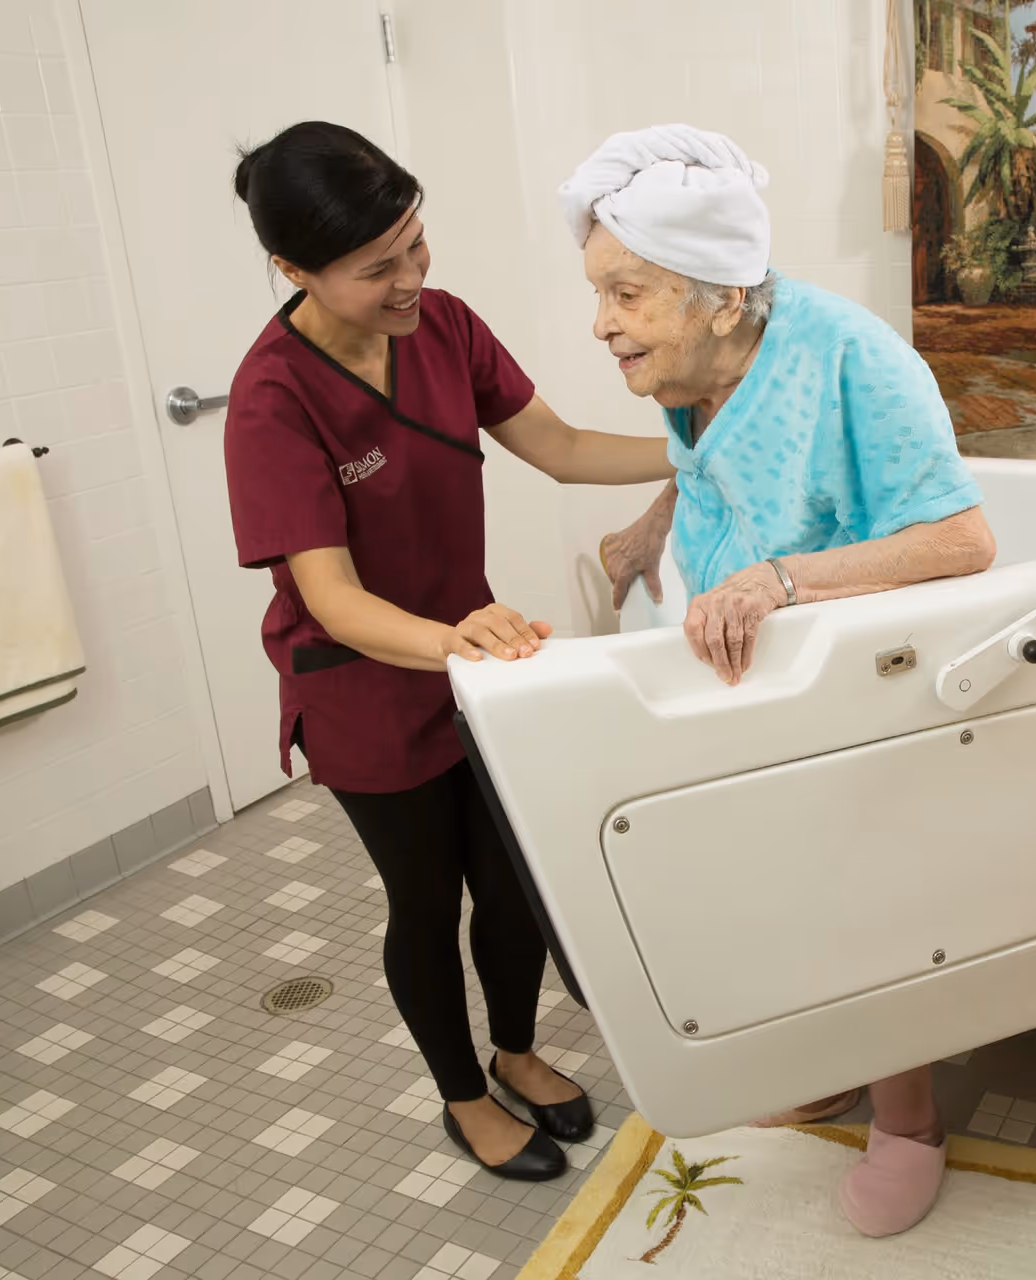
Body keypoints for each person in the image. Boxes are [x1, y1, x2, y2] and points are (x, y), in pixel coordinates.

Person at [563, 124, 997, 1237]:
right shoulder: (697, 358)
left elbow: (962, 539)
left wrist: (778, 582)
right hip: (744, 659)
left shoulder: (856, 360)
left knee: (868, 901)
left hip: (857, 670)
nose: (601, 321)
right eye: (600, 290)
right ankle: (828, 1058)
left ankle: (908, 1121)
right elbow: (709, 466)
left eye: (626, 292)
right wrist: (647, 526)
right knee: (778, 885)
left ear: (719, 294)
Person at [223, 121, 674, 1181]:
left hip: (471, 662)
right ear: (292, 268)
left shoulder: (446, 327)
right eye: (375, 266)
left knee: (513, 881)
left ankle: (518, 1049)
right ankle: (465, 1095)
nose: (410, 279)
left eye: (415, 245)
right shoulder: (272, 398)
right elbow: (330, 599)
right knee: (427, 900)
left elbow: (557, 446)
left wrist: (703, 445)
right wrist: (455, 636)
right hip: (363, 687)